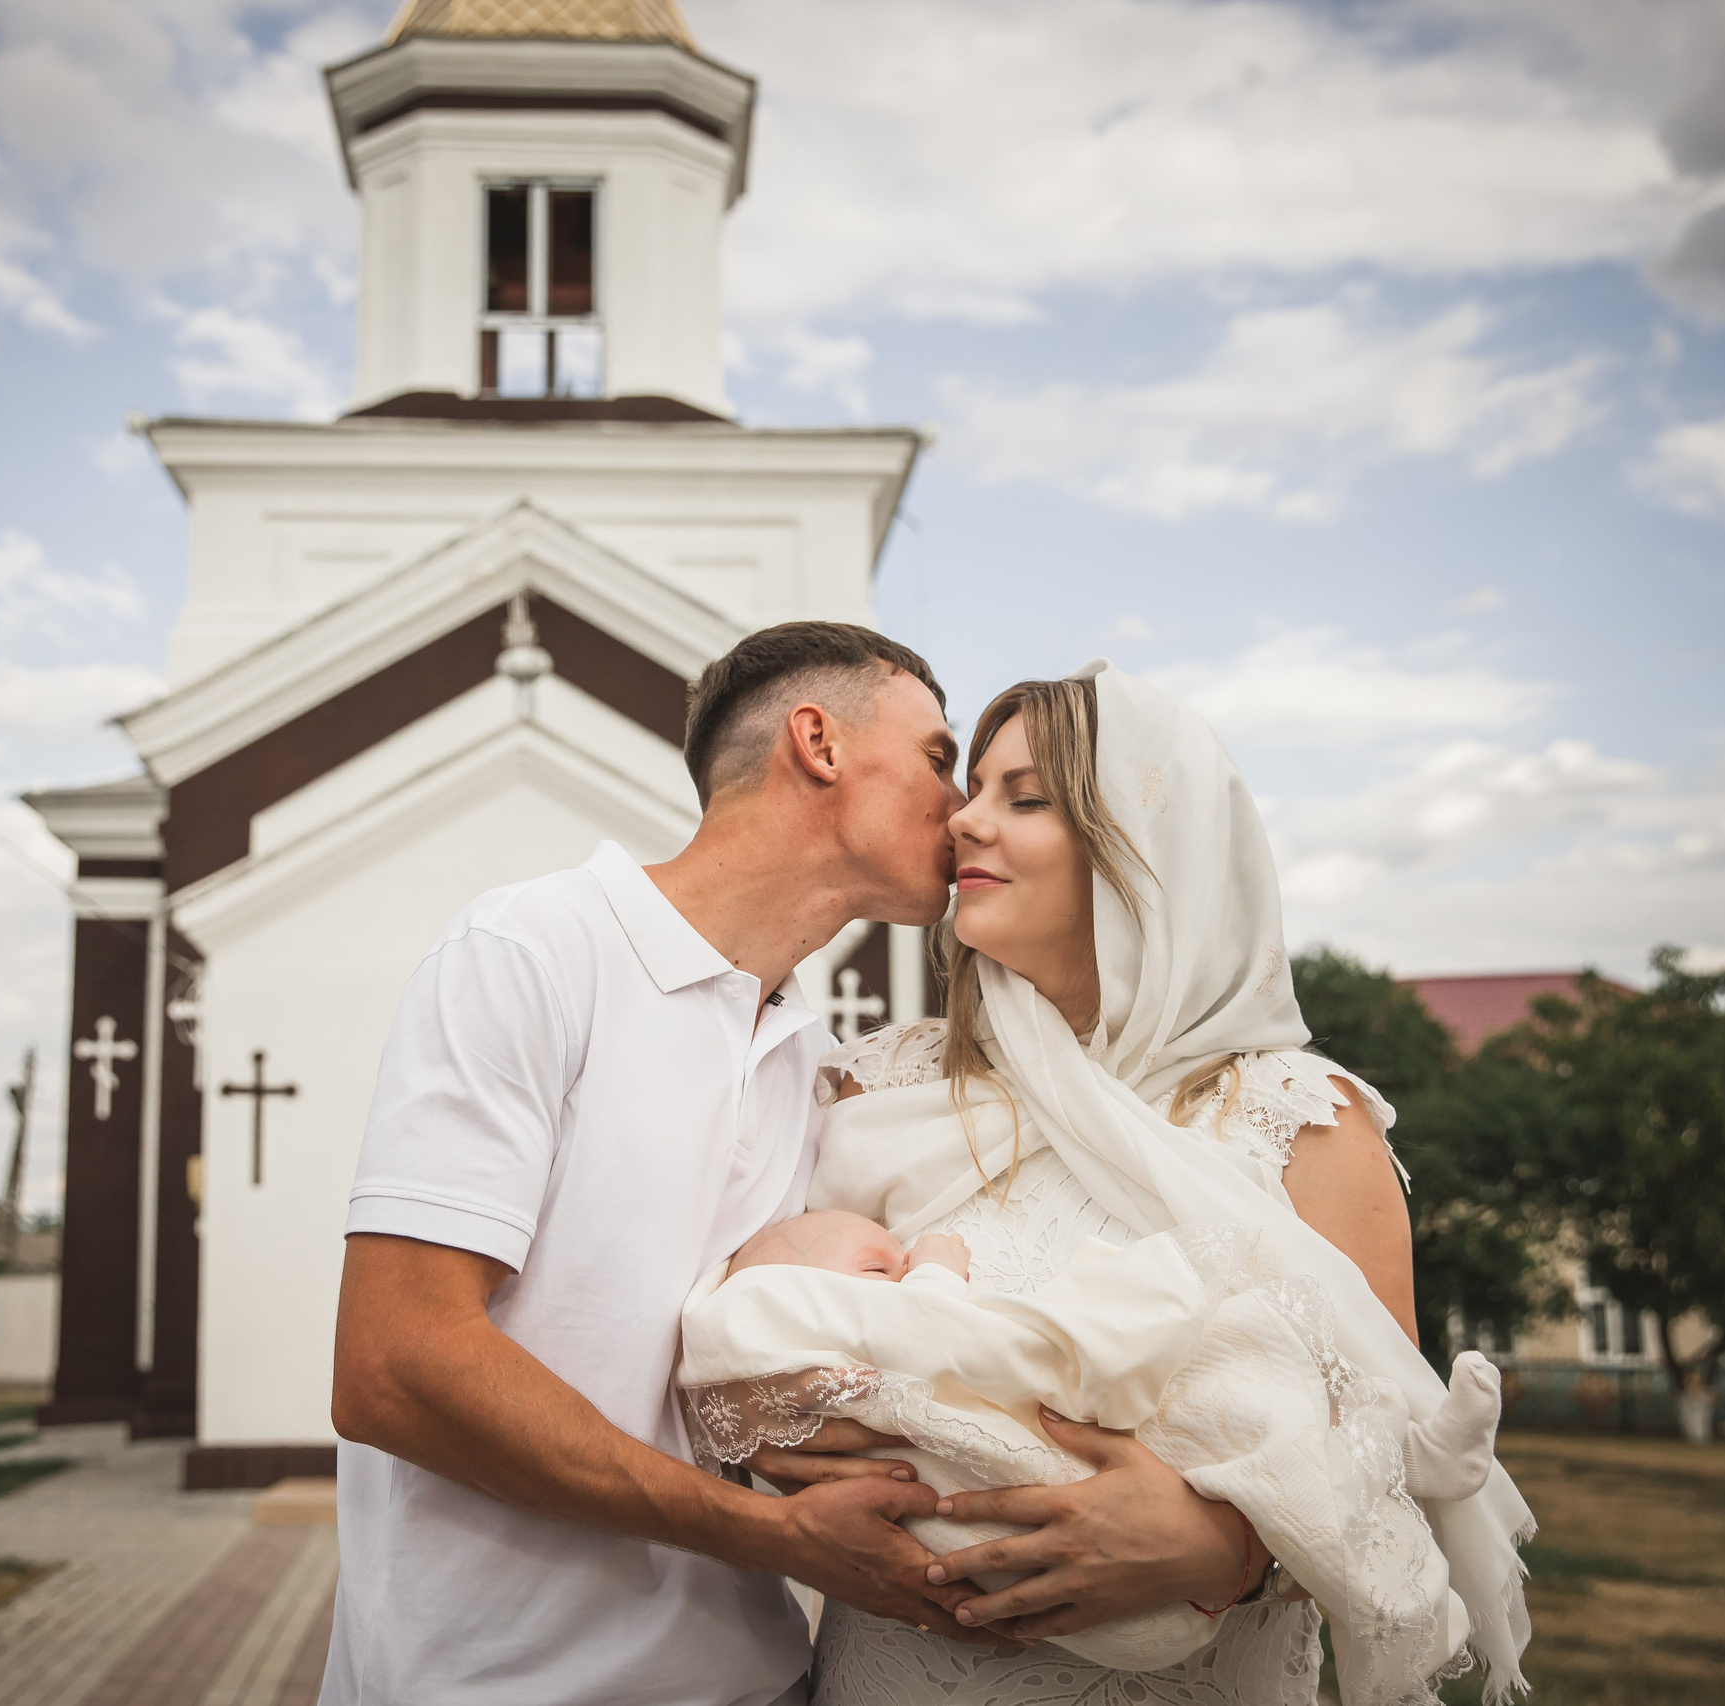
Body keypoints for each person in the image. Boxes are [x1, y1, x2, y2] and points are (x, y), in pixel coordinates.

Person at [323, 625, 1262, 1705]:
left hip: (762, 1679)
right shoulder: (531, 952)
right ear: (818, 743)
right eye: (938, 758)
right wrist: (773, 1534)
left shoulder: (818, 1070)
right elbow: (392, 1367)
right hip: (491, 1684)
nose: (961, 810)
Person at [785, 664, 1535, 1706]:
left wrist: (1229, 1552)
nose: (965, 819)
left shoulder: (1301, 1122)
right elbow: (767, 1345)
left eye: (1026, 798)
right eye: (974, 786)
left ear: (1147, 848)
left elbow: (1395, 1462)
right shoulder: (879, 1087)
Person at [679, 1211, 1504, 1693]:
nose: (898, 1262)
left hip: (1179, 1621)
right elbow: (929, 1333)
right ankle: (1394, 1457)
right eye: (875, 1263)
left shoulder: (1315, 1110)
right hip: (946, 1623)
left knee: (1235, 1399)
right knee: (1216, 1379)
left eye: (897, 1258)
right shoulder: (851, 1117)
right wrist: (933, 1273)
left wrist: (1232, 1551)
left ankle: (1400, 1458)